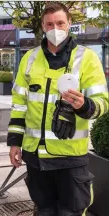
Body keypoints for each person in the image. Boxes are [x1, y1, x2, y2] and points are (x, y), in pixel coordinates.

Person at [7, 2, 108, 216]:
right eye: (50, 24)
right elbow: (19, 105)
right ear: (43, 26)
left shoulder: (87, 58)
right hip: (36, 158)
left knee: (71, 212)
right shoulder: (29, 58)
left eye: (60, 23)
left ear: (69, 24)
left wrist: (84, 105)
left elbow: (102, 104)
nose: (55, 29)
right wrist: (15, 143)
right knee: (43, 211)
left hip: (70, 159)